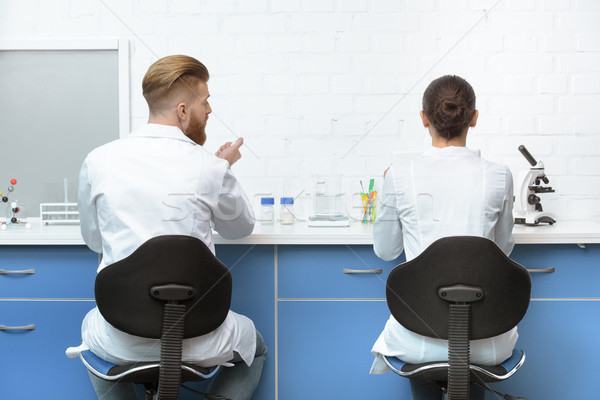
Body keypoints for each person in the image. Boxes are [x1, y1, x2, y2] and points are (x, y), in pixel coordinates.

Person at [77, 55, 266, 400]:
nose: (209, 110)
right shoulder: (208, 167)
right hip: (199, 335)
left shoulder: (99, 160)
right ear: (182, 110)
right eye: (205, 101)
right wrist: (222, 169)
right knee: (256, 348)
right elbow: (240, 227)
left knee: (93, 341)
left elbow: (93, 241)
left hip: (123, 335)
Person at [369, 75, 516, 400]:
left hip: (418, 336)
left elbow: (385, 250)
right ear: (474, 117)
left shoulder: (399, 175)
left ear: (424, 118)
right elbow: (501, 251)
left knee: (422, 349)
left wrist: (389, 194)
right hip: (487, 338)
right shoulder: (500, 176)